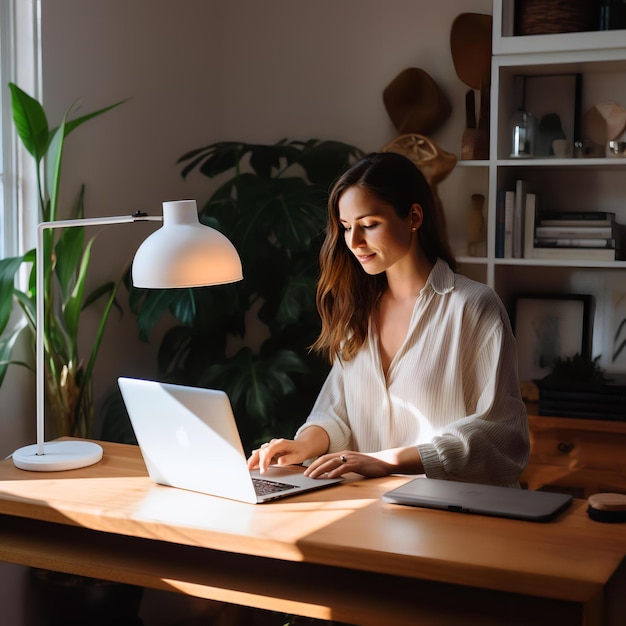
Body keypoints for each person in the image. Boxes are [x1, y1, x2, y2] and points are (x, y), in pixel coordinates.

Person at [248, 151, 529, 486]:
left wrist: (387, 462)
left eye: (368, 225)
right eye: (346, 227)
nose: (354, 242)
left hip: (451, 514)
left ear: (413, 217)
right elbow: (336, 411)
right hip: (367, 509)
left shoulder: (473, 307)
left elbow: (498, 432)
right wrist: (301, 445)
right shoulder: (357, 309)